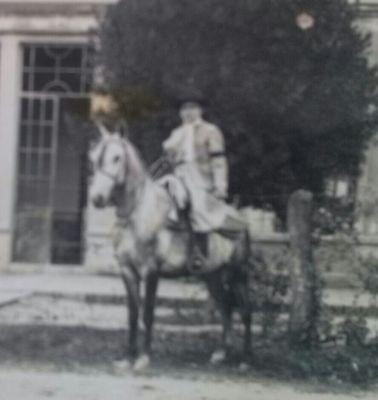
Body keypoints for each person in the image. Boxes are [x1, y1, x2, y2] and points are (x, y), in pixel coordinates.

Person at [162, 98, 240, 269]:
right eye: (184, 109)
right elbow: (169, 158)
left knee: (197, 208)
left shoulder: (210, 131)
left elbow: (218, 160)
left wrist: (220, 186)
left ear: (200, 110)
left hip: (201, 179)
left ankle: (199, 253)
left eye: (192, 108)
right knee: (159, 196)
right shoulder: (176, 133)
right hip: (179, 175)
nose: (188, 113)